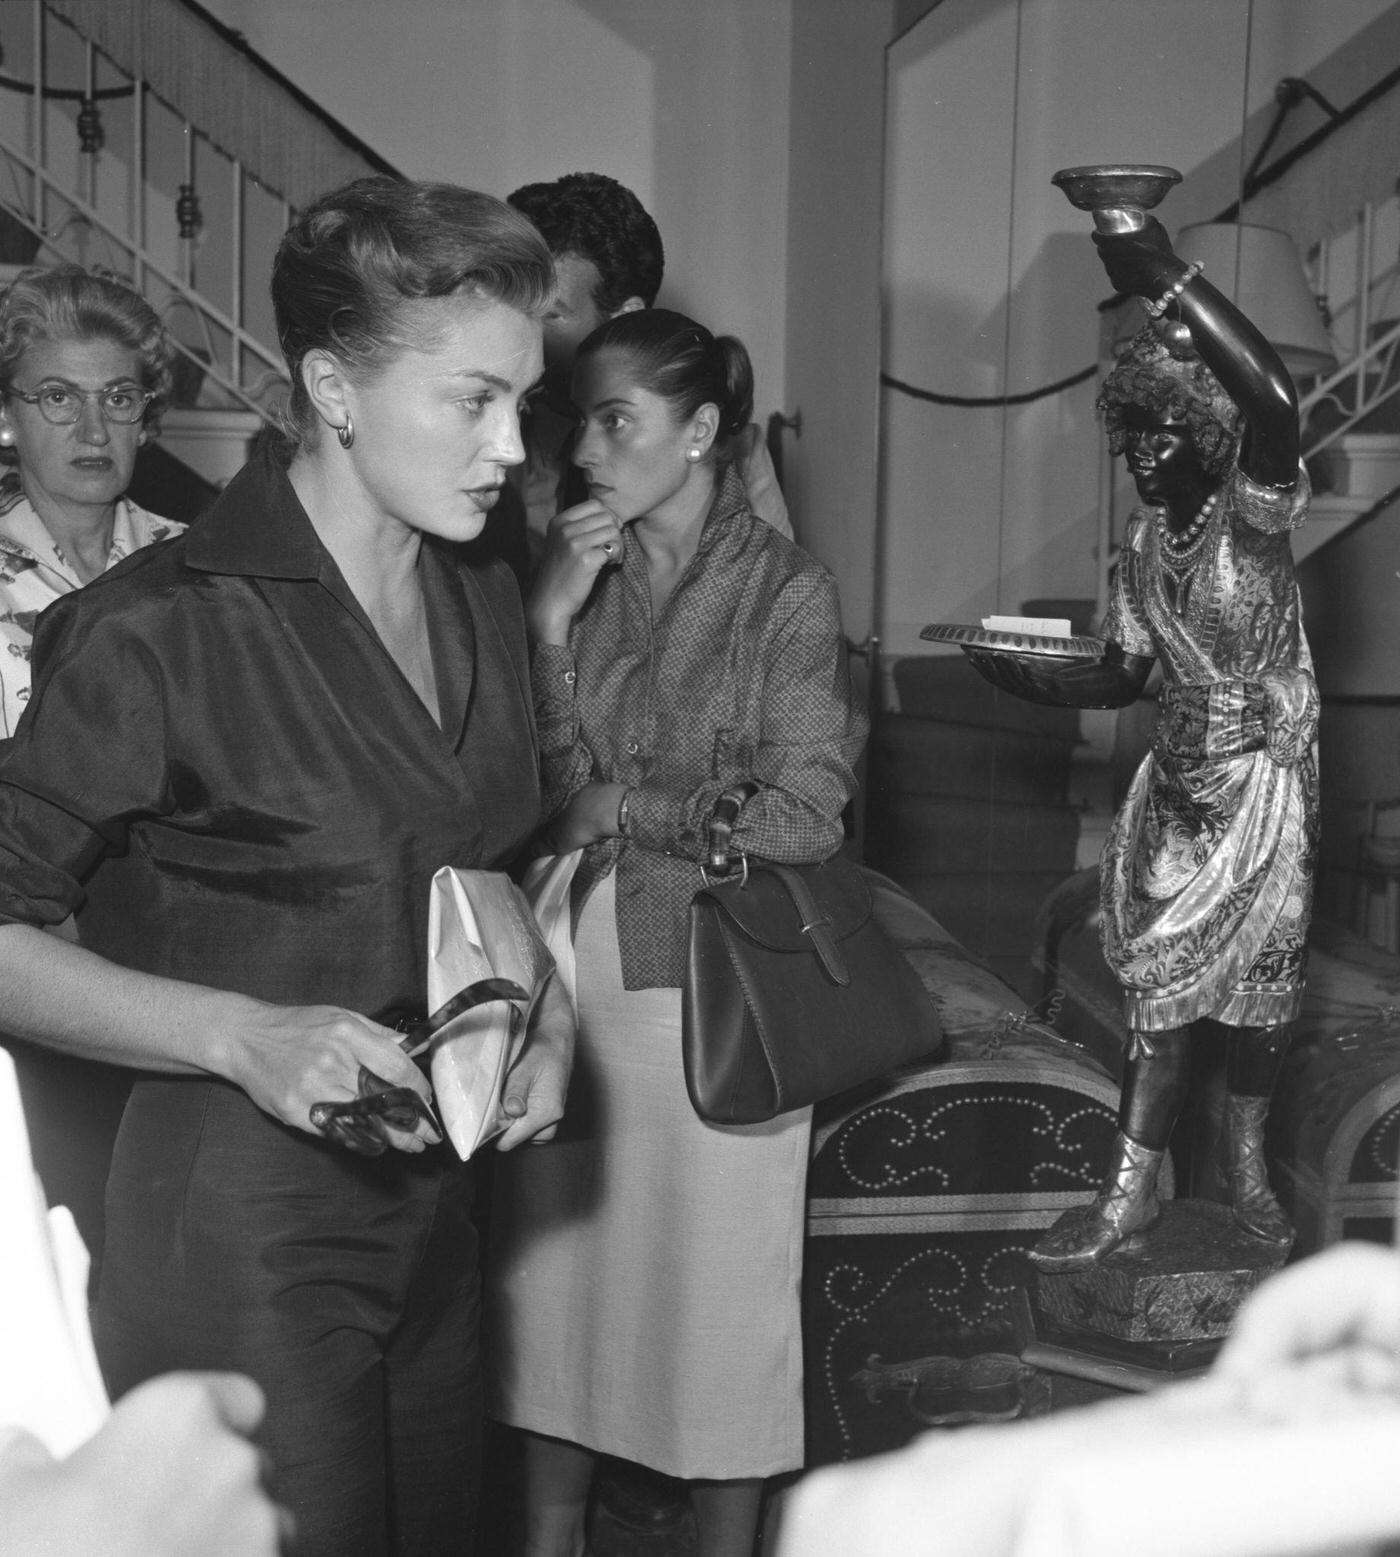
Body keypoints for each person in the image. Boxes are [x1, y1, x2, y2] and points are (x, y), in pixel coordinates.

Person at [0, 175, 573, 1557]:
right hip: (235, 1222)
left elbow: (485, 853)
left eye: (525, 401)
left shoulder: (480, 592)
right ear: (331, 386)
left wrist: (540, 1009)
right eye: (472, 400)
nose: (511, 447)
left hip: (437, 1209)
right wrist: (244, 1035)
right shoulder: (157, 629)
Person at [486, 308, 866, 1557]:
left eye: (615, 420)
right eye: (579, 420)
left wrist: (627, 808)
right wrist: (545, 625)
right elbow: (528, 790)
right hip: (563, 985)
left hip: (715, 993)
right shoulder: (570, 579)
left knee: (718, 1312)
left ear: (699, 433)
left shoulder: (783, 591)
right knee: (553, 1298)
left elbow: (808, 811)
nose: (584, 448)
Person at [964, 217, 1317, 1270]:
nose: (1137, 459)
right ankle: (1126, 1203)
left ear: (1203, 436)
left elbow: (1277, 400)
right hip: (1174, 796)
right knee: (1157, 1007)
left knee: (1256, 1009)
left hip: (1260, 794)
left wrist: (1165, 278)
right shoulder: (1136, 546)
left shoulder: (1248, 517)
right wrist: (1019, 677)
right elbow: (1120, 674)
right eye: (1127, 444)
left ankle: (1245, 1165)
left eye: (1156, 439)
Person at [492, 171, 789, 577]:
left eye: (547, 313)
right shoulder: (490, 429)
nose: (513, 330)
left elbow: (775, 607)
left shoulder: (727, 455)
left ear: (625, 318)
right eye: (510, 302)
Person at [0, 263, 183, 734]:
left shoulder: (197, 564)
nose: (95, 431)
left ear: (144, 420)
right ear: (5, 417)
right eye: (58, 398)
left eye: (119, 398)